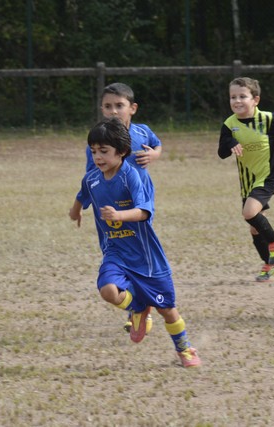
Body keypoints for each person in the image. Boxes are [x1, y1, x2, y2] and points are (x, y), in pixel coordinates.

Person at [69, 117, 201, 368]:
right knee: (108, 290)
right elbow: (83, 194)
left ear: (121, 152)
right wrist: (76, 211)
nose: (97, 157)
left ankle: (184, 349)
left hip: (146, 257)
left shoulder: (131, 176)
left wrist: (119, 215)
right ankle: (138, 307)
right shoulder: (92, 178)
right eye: (94, 151)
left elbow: (144, 211)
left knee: (167, 309)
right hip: (115, 251)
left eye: (104, 151)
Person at [85, 82, 162, 333]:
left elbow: (157, 144)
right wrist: (83, 203)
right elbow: (90, 177)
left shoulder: (142, 133)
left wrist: (154, 155)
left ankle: (139, 307)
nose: (114, 111)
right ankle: (136, 305)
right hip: (112, 208)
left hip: (138, 206)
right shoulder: (98, 142)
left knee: (137, 252)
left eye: (119, 105)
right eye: (108, 106)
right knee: (118, 250)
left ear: (133, 108)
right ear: (101, 109)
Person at [218, 77, 274, 282]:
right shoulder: (229, 124)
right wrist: (230, 143)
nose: (237, 101)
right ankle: (271, 264)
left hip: (267, 176)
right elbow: (221, 153)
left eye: (242, 96)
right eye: (233, 97)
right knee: (254, 227)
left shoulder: (267, 119)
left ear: (255, 100)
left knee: (249, 213)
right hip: (247, 181)